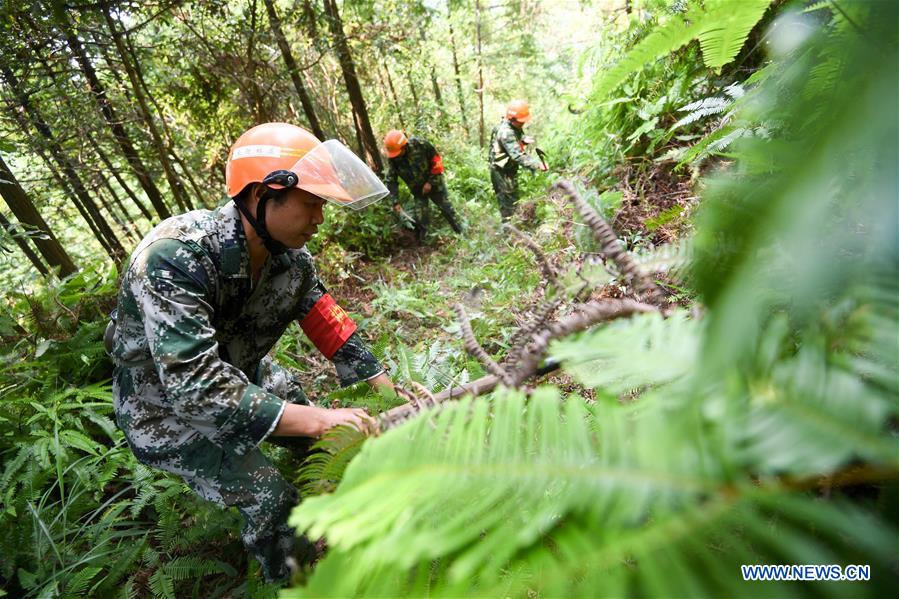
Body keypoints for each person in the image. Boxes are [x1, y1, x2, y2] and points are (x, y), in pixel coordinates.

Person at [108, 122, 393, 583]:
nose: (319, 219)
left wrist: (385, 392)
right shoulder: (174, 257)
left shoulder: (290, 260)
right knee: (272, 498)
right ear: (262, 194)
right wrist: (320, 418)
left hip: (238, 374)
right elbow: (196, 389)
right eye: (310, 204)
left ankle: (344, 513)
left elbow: (330, 325)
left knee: (325, 443)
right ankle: (299, 582)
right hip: (162, 406)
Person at [383, 130, 463, 242]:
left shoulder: (421, 145)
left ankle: (461, 234)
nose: (396, 155)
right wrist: (395, 201)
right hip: (418, 191)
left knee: (447, 209)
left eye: (398, 152)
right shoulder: (394, 159)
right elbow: (391, 180)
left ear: (404, 146)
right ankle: (426, 242)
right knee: (421, 218)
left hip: (435, 185)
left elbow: (437, 163)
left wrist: (430, 182)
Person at [487, 100, 547, 220]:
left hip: (507, 169)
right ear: (513, 119)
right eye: (521, 121)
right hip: (502, 172)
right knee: (509, 205)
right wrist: (537, 164)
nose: (523, 123)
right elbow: (517, 155)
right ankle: (509, 228)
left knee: (513, 200)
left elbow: (512, 138)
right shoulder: (506, 132)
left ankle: (515, 224)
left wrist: (522, 140)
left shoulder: (510, 125)